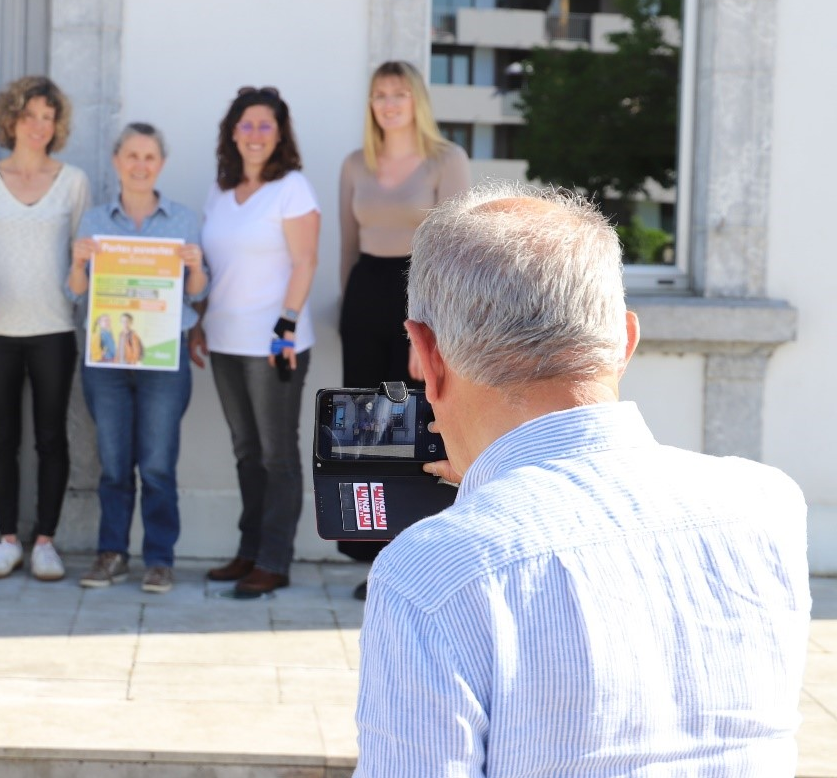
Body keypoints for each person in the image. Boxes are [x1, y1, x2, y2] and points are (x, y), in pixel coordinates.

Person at [354, 182, 810, 775]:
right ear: (624, 341)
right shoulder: (766, 506)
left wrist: (492, 497)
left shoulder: (434, 573)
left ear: (426, 355)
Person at [337, 60, 471, 600]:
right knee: (366, 434)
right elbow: (348, 245)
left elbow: (456, 249)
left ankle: (413, 555)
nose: (388, 103)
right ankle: (374, 560)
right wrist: (347, 304)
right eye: (379, 95)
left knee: (413, 429)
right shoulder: (354, 163)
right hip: (366, 295)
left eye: (398, 93)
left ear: (417, 99)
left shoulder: (447, 159)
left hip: (418, 298)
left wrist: (432, 329)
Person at [67, 122, 209, 594]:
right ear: (116, 162)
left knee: (157, 465)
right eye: (131, 156)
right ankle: (111, 554)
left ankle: (159, 559)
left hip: (165, 361)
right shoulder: (94, 222)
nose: (140, 165)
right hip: (105, 362)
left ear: (161, 165)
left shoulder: (183, 221)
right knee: (112, 464)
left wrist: (192, 268)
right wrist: (78, 262)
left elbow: (200, 291)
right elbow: (74, 292)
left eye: (149, 157)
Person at [193, 87, 319, 596]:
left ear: (281, 134)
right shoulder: (219, 192)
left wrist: (286, 327)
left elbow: (305, 262)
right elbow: (214, 267)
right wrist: (200, 322)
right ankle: (248, 552)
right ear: (232, 132)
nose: (255, 135)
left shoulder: (292, 188)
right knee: (246, 452)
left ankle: (274, 559)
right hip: (224, 339)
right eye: (246, 125)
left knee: (276, 454)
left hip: (274, 344)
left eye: (266, 125)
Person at [0, 76, 90, 582]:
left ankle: (45, 542)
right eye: (29, 115)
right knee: (1, 437)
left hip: (53, 328)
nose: (39, 126)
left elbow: (80, 262)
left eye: (48, 116)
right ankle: (6, 541)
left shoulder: (74, 181)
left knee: (51, 438)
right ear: (10, 119)